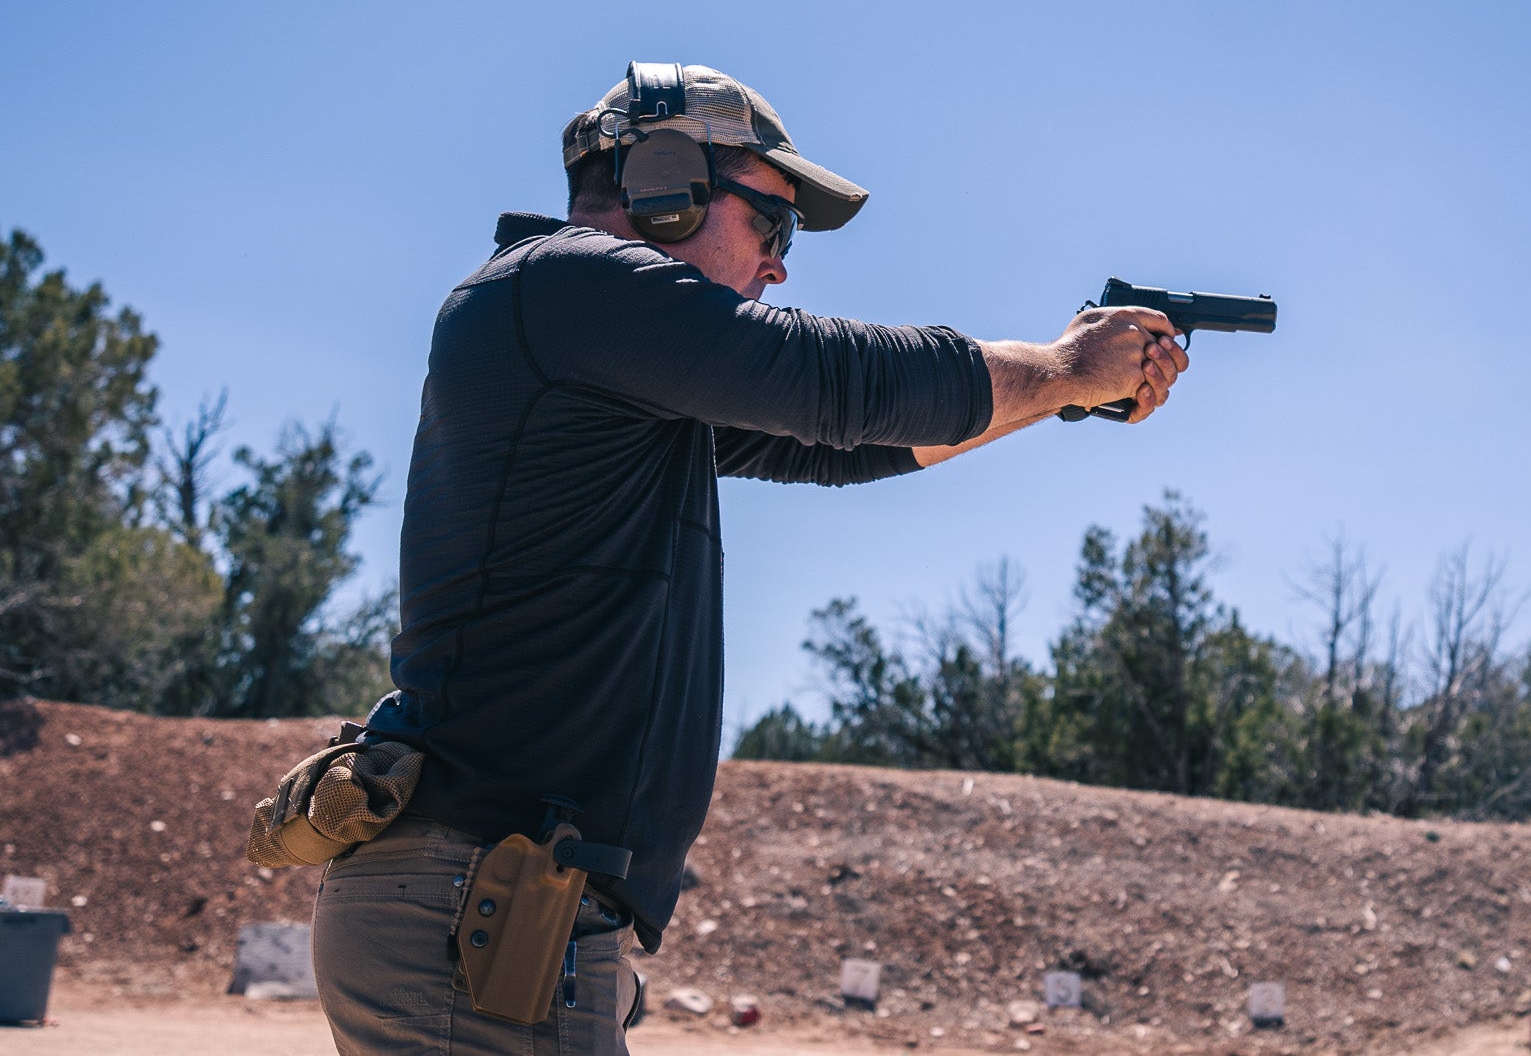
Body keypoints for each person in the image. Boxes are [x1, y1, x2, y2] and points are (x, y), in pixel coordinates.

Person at [310, 63, 1188, 1054]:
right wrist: (1063, 367)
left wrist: (1055, 391)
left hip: (502, 903)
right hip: (480, 903)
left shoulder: (590, 348)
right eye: (773, 225)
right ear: (664, 180)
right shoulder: (567, 287)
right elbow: (832, 380)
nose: (778, 266)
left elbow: (848, 441)